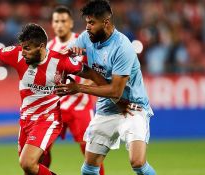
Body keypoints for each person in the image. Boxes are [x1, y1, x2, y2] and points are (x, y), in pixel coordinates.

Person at [0, 23, 139, 175]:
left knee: (27, 163)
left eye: (27, 48)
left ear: (41, 47)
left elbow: (91, 74)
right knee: (30, 170)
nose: (23, 52)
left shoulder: (61, 62)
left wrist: (117, 98)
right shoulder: (17, 54)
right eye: (22, 47)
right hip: (26, 121)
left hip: (48, 120)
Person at [56, 0, 156, 175]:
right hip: (106, 108)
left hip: (132, 107)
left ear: (106, 22)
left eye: (92, 23)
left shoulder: (122, 47)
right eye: (87, 22)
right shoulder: (87, 38)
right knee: (89, 168)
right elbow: (64, 58)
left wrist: (78, 87)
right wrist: (69, 56)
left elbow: (116, 91)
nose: (87, 27)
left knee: (138, 162)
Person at [45, 6, 105, 175]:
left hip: (80, 107)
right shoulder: (49, 47)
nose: (60, 25)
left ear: (71, 23)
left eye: (63, 21)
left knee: (90, 153)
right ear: (52, 24)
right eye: (56, 21)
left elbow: (98, 70)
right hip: (56, 107)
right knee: (42, 148)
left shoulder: (84, 43)